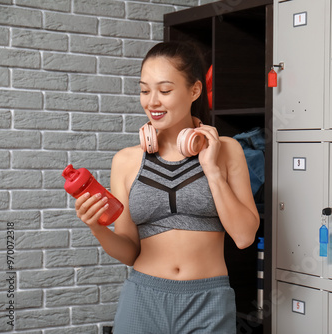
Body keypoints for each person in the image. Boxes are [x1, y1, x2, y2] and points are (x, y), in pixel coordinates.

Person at [74, 41, 260, 333]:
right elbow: (129, 251)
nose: (152, 102)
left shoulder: (227, 150)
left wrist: (211, 169)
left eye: (164, 90)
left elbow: (244, 236)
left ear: (195, 90)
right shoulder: (125, 161)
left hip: (208, 301)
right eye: (145, 90)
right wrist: (97, 227)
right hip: (142, 298)